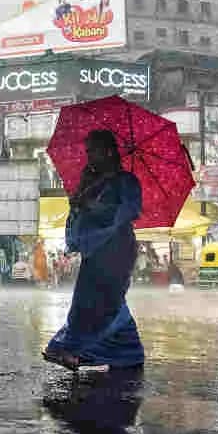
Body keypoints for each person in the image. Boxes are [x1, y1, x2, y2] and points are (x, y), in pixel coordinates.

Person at [43, 130, 144, 370]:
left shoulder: (126, 181)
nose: (88, 156)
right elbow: (80, 209)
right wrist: (82, 192)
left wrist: (95, 206)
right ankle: (129, 351)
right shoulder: (93, 181)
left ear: (108, 151)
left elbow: (129, 210)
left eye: (92, 151)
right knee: (97, 300)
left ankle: (73, 350)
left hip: (117, 248)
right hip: (95, 249)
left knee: (99, 301)